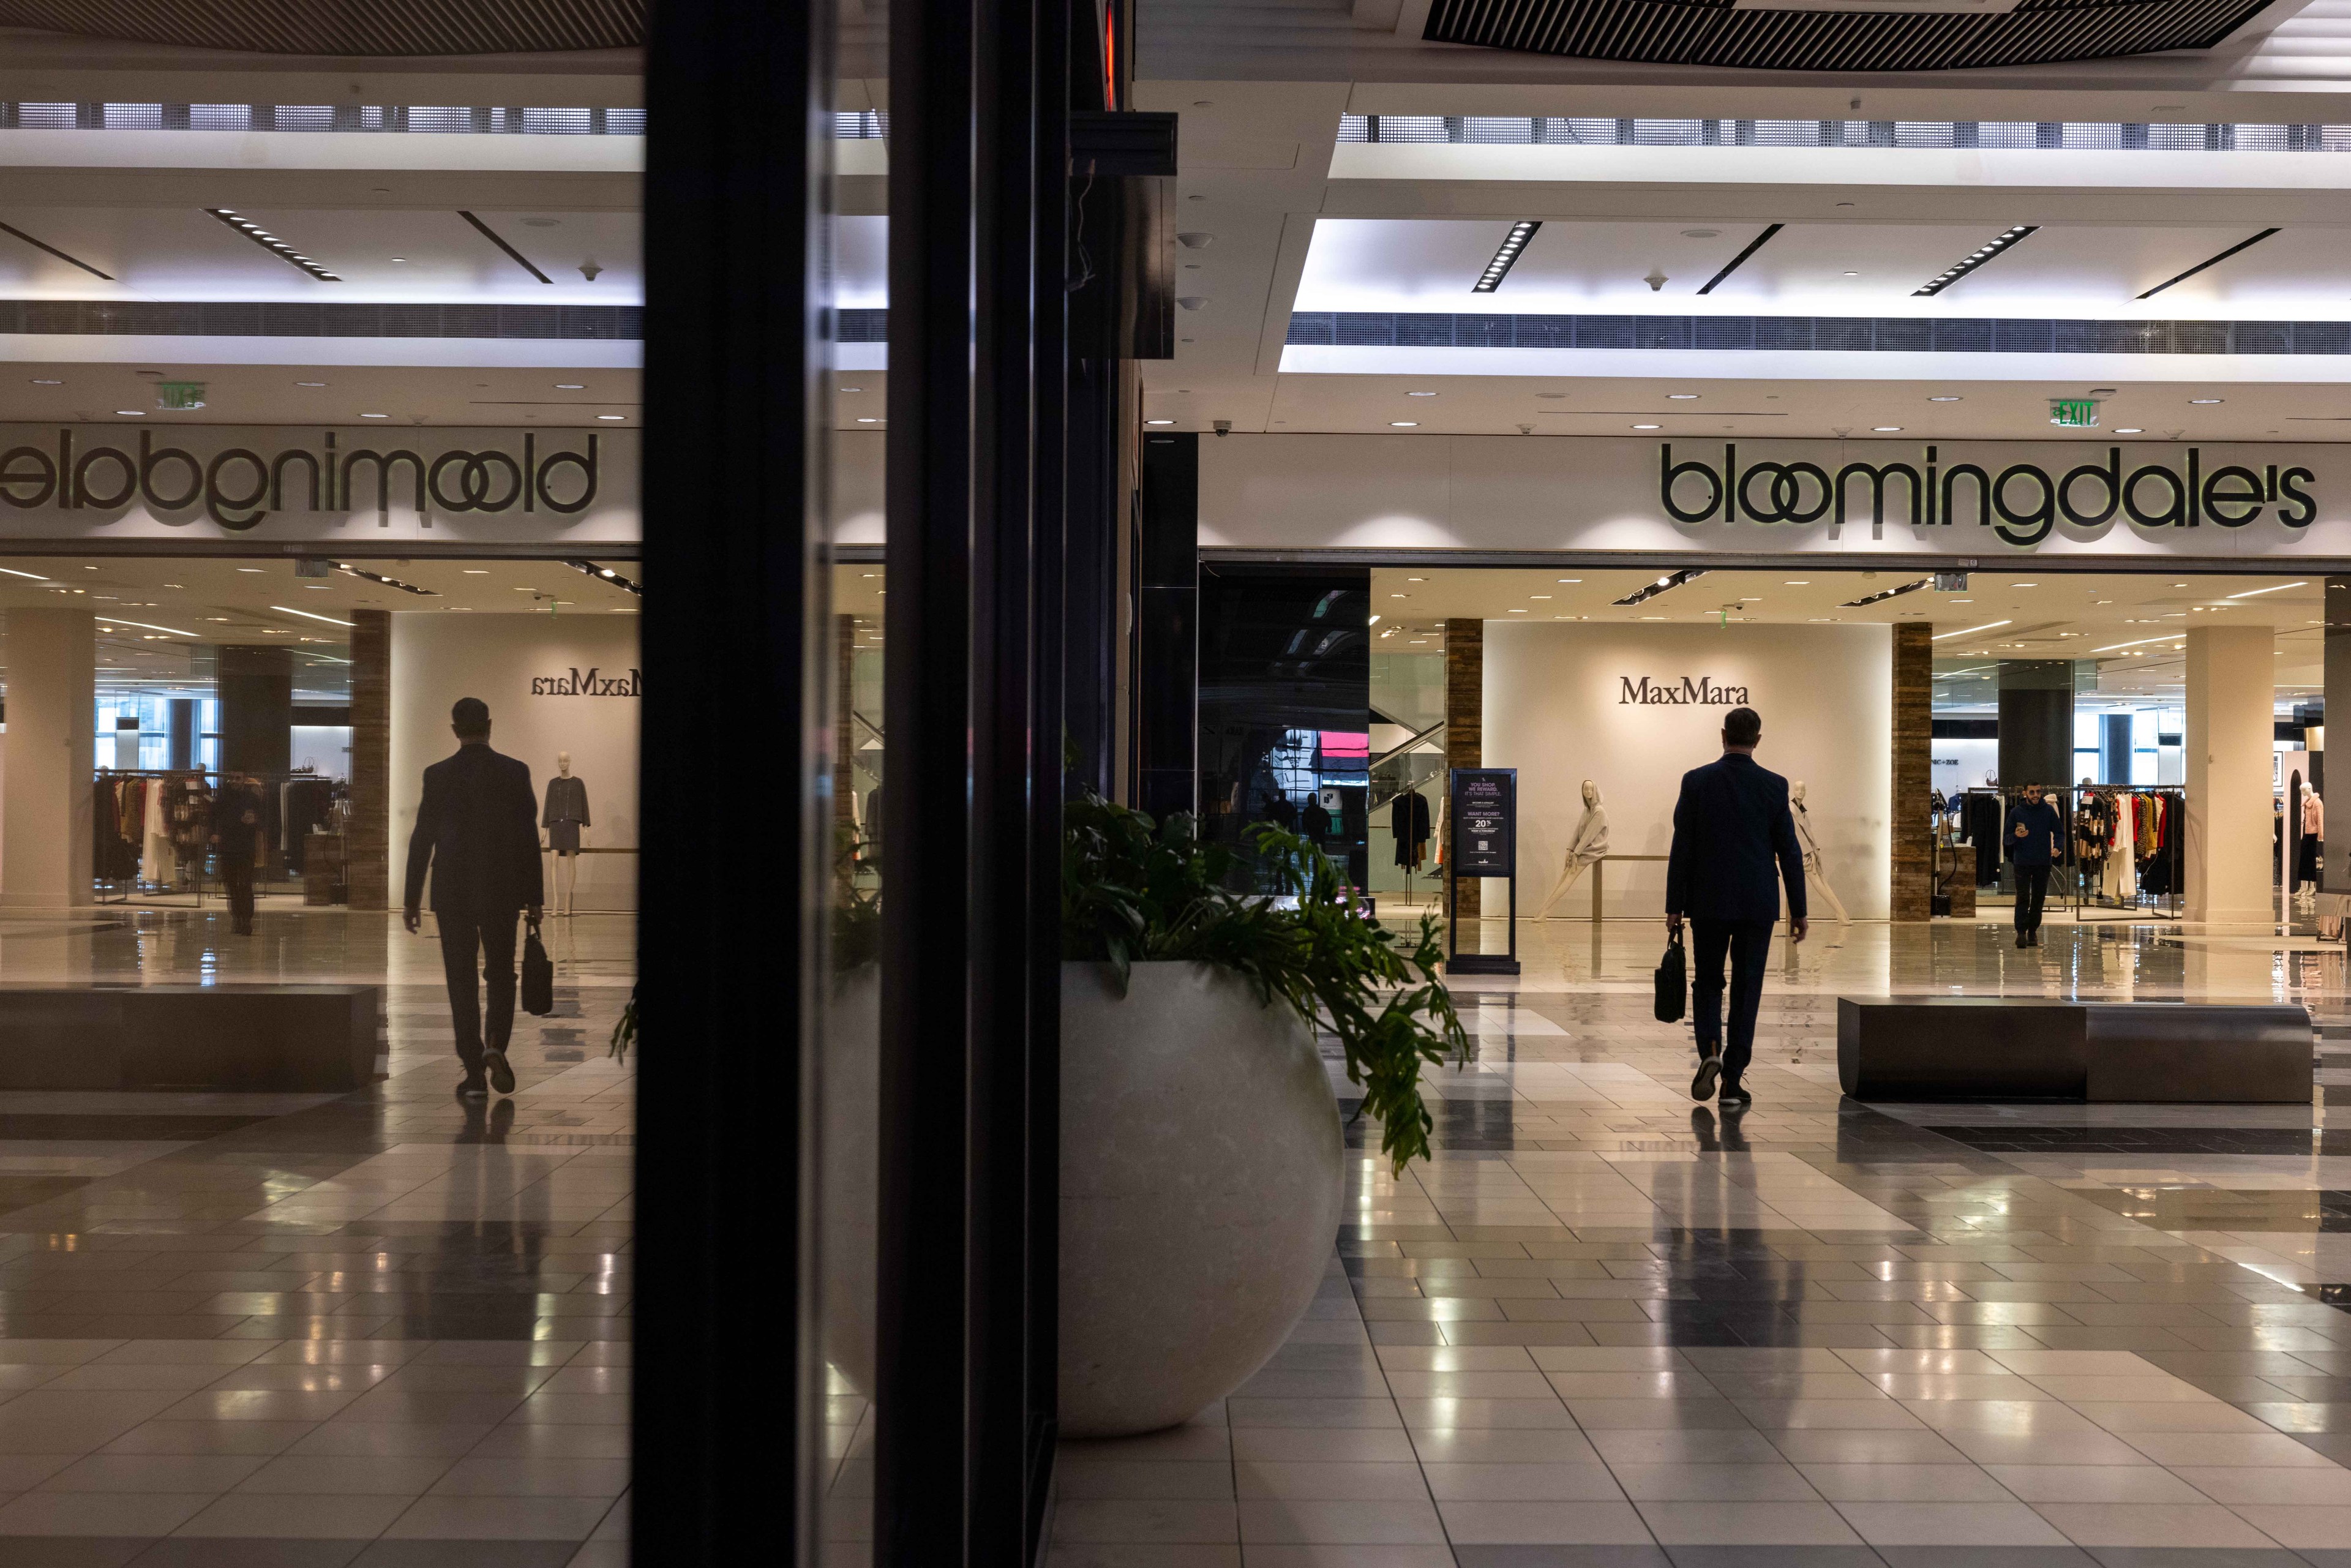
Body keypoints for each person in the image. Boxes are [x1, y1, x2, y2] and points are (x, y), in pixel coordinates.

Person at [1665, 705, 1808, 1109]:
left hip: (1708, 902)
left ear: (1722, 734)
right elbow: (1790, 851)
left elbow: (1683, 847)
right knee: (1748, 988)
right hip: (1757, 904)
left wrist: (1675, 904)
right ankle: (1731, 1080)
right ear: (1757, 740)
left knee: (1708, 980)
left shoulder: (1696, 782)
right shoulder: (1774, 786)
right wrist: (1799, 909)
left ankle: (1710, 1047)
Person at [403, 697, 544, 1098]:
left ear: (454, 730)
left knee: (461, 980)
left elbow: (423, 837)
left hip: (452, 892)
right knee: (501, 974)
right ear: (490, 725)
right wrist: (534, 896)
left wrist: (412, 898)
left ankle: (472, 1069)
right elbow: (527, 837)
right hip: (502, 890)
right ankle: (495, 1044)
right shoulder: (515, 772)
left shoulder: (438, 774)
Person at [2005, 782, 2063, 949]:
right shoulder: (2016, 813)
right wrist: (2016, 835)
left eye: (2038, 792)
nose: (2036, 795)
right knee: (2023, 898)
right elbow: (2006, 839)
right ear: (2025, 793)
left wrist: (2058, 847)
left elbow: (2060, 833)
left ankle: (2032, 931)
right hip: (2022, 862)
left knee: (2038, 898)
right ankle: (2021, 932)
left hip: (2043, 862)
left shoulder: (2048, 811)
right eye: (2032, 792)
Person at [209, 773, 263, 936]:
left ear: (245, 780)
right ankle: (237, 918)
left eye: (238, 778)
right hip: (227, 847)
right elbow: (212, 818)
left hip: (246, 847)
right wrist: (214, 834)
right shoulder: (223, 798)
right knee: (232, 885)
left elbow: (264, 819)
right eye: (231, 778)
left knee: (246, 884)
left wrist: (254, 820)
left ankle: (246, 920)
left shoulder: (253, 798)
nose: (234, 782)